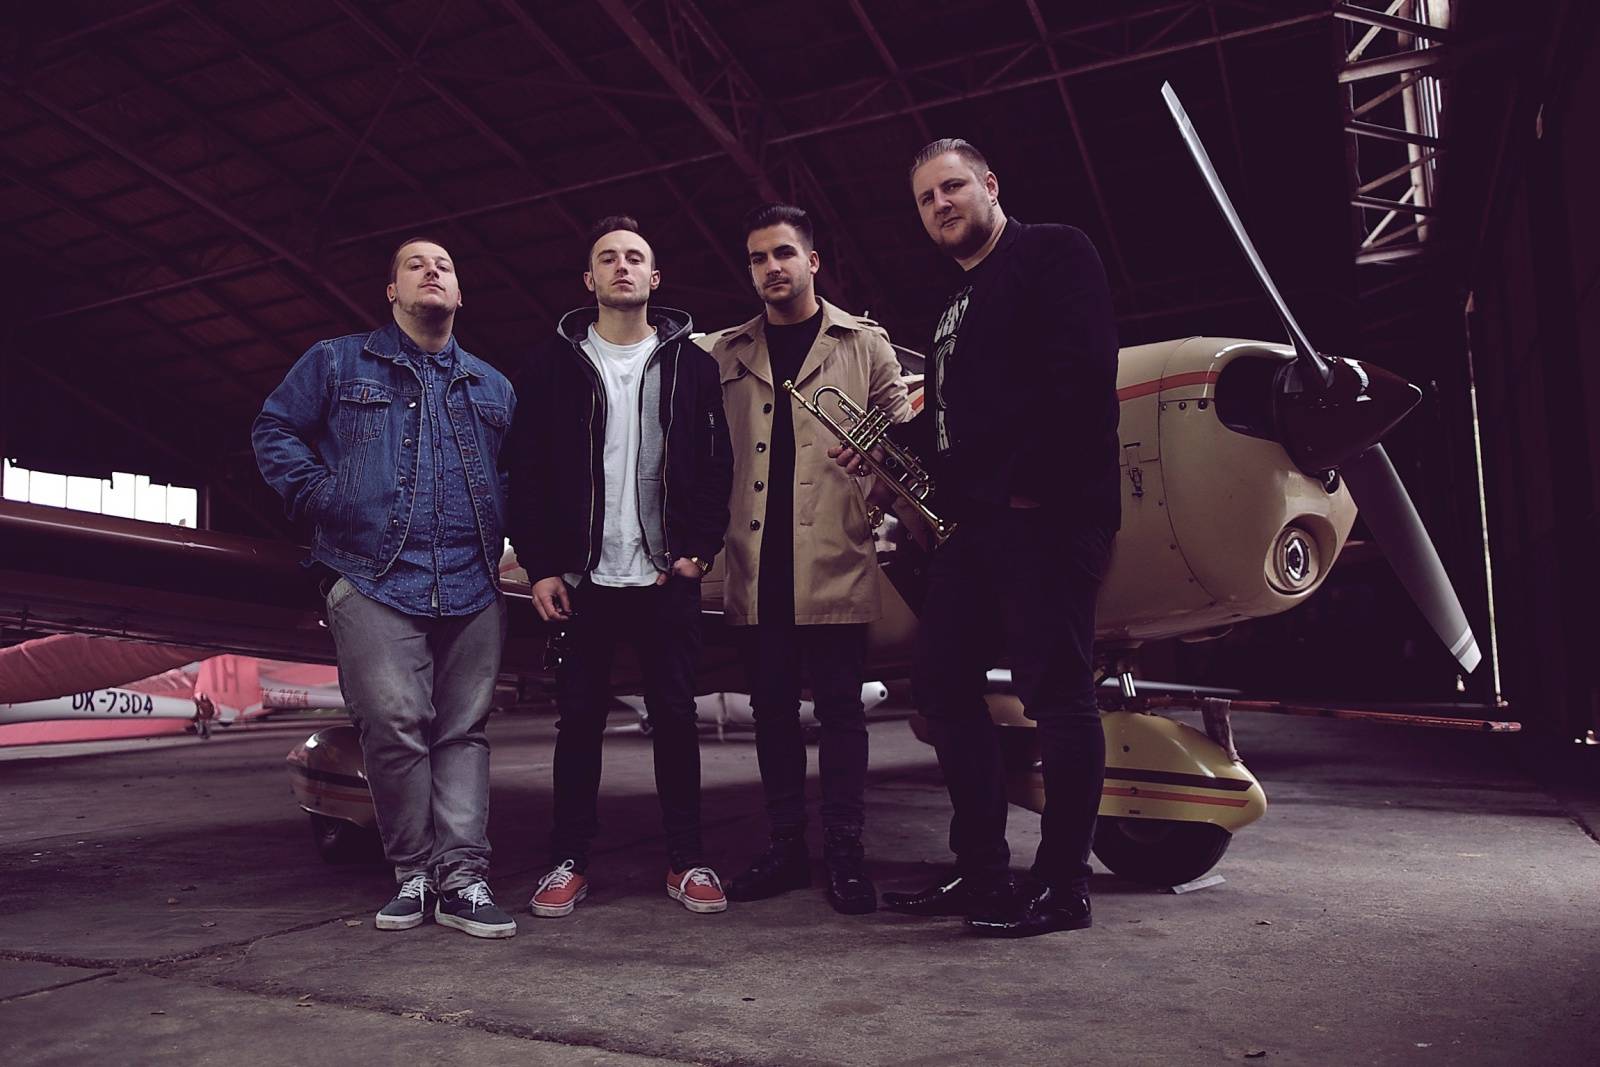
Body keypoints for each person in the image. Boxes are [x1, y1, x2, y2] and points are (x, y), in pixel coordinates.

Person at [837, 139, 1120, 937]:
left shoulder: (1053, 252)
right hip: (976, 525)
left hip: (1046, 514)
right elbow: (951, 430)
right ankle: (983, 871)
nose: (941, 205)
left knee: (1058, 694)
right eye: (926, 199)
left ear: (990, 185)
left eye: (952, 186)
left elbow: (1083, 376)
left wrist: (1030, 486)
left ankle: (1063, 885)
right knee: (940, 684)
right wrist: (885, 447)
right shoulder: (953, 304)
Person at [253, 238, 519, 939]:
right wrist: (321, 495)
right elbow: (274, 429)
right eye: (415, 264)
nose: (433, 271)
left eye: (446, 266)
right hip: (371, 575)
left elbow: (514, 476)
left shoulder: (493, 386)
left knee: (463, 731)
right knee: (394, 723)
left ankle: (463, 880)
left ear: (459, 294)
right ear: (392, 291)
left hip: (472, 579)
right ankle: (413, 872)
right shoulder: (336, 362)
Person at [506, 216, 733, 917]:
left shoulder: (692, 365)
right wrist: (542, 567)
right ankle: (568, 860)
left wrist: (697, 551)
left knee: (676, 718)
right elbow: (527, 473)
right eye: (608, 258)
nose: (622, 266)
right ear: (590, 279)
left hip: (666, 576)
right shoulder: (551, 365)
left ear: (654, 278)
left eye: (635, 257)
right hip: (584, 580)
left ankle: (687, 859)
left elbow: (716, 467)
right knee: (578, 722)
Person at [711, 203, 911, 914]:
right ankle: (786, 848)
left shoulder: (865, 343)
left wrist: (877, 470)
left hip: (834, 552)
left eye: (784, 253)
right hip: (753, 559)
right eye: (759, 258)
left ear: (812, 261)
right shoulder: (723, 351)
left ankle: (846, 854)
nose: (772, 267)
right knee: (770, 713)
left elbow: (906, 443)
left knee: (841, 714)